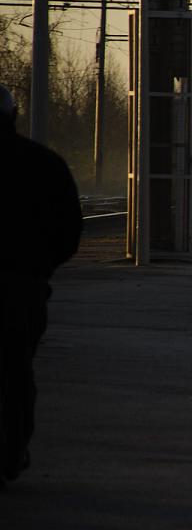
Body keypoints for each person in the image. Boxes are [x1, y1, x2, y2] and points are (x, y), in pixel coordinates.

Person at [0, 85, 82, 487]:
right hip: (21, 288)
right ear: (14, 116)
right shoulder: (44, 164)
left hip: (24, 284)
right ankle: (11, 452)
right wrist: (41, 269)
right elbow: (69, 232)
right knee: (16, 372)